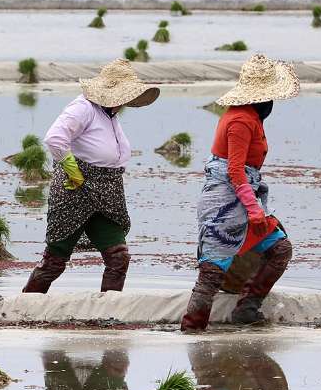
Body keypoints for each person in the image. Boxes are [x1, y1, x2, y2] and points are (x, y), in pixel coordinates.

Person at [181, 53, 299, 332]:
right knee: (212, 271)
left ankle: (247, 308)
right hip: (224, 204)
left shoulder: (250, 117)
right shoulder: (240, 121)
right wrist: (254, 209)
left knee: (279, 248)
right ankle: (191, 331)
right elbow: (234, 170)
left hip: (241, 196)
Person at [23, 59, 158, 294]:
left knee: (118, 258)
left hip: (106, 193)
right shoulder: (83, 108)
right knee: (54, 262)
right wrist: (73, 171)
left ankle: (107, 312)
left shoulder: (110, 114)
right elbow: (55, 138)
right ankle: (26, 305)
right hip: (76, 190)